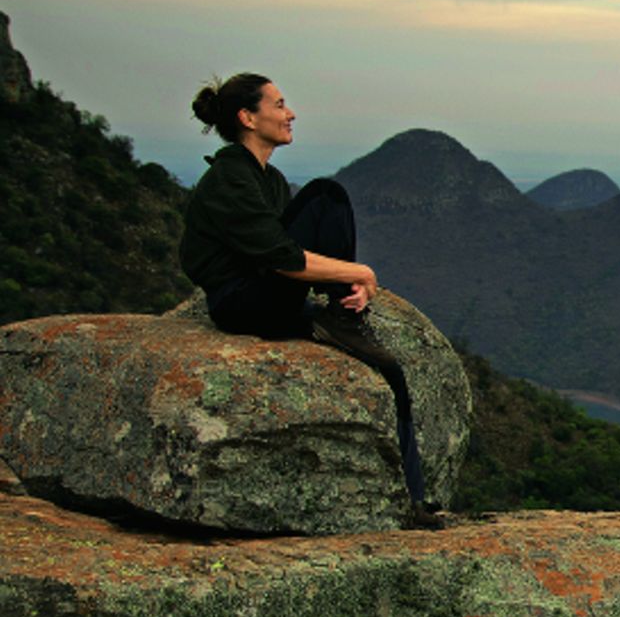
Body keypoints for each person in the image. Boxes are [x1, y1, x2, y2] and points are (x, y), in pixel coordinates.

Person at [179, 72, 438, 528]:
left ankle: (412, 501)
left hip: (269, 296)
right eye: (278, 105)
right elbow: (282, 258)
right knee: (325, 195)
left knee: (390, 371)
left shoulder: (269, 179)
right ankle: (342, 314)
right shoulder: (229, 178)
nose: (290, 113)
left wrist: (344, 281)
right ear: (247, 117)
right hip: (242, 303)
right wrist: (358, 272)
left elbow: (289, 251)